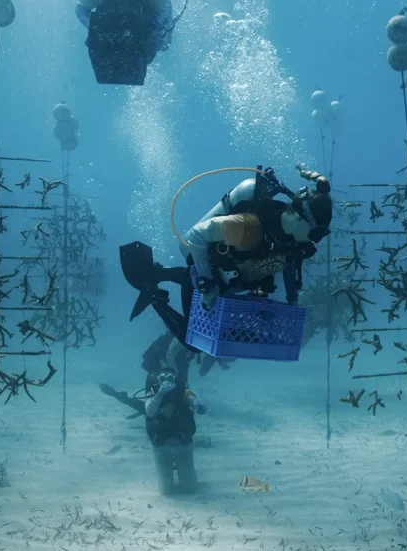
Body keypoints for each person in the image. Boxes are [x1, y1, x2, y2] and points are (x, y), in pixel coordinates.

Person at [120, 166, 331, 374]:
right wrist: (206, 283)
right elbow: (197, 235)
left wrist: (293, 299)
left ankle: (160, 273)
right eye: (317, 234)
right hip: (209, 274)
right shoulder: (248, 227)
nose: (316, 241)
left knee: (220, 297)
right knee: (192, 342)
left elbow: (289, 263)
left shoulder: (293, 241)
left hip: (234, 279)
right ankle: (155, 296)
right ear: (298, 218)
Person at [76, 0, 174, 85]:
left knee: (148, 49)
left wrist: (155, 27)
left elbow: (166, 8)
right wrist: (92, 26)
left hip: (146, 32)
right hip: (114, 36)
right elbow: (81, 8)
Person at [144, 362, 206, 496]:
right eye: (162, 378)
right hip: (161, 443)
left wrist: (197, 404)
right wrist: (160, 394)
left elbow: (192, 399)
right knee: (166, 491)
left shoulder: (183, 391)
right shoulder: (153, 392)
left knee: (190, 488)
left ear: (175, 378)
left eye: (170, 378)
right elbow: (149, 411)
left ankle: (186, 479)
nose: (166, 381)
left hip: (183, 442)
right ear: (157, 379)